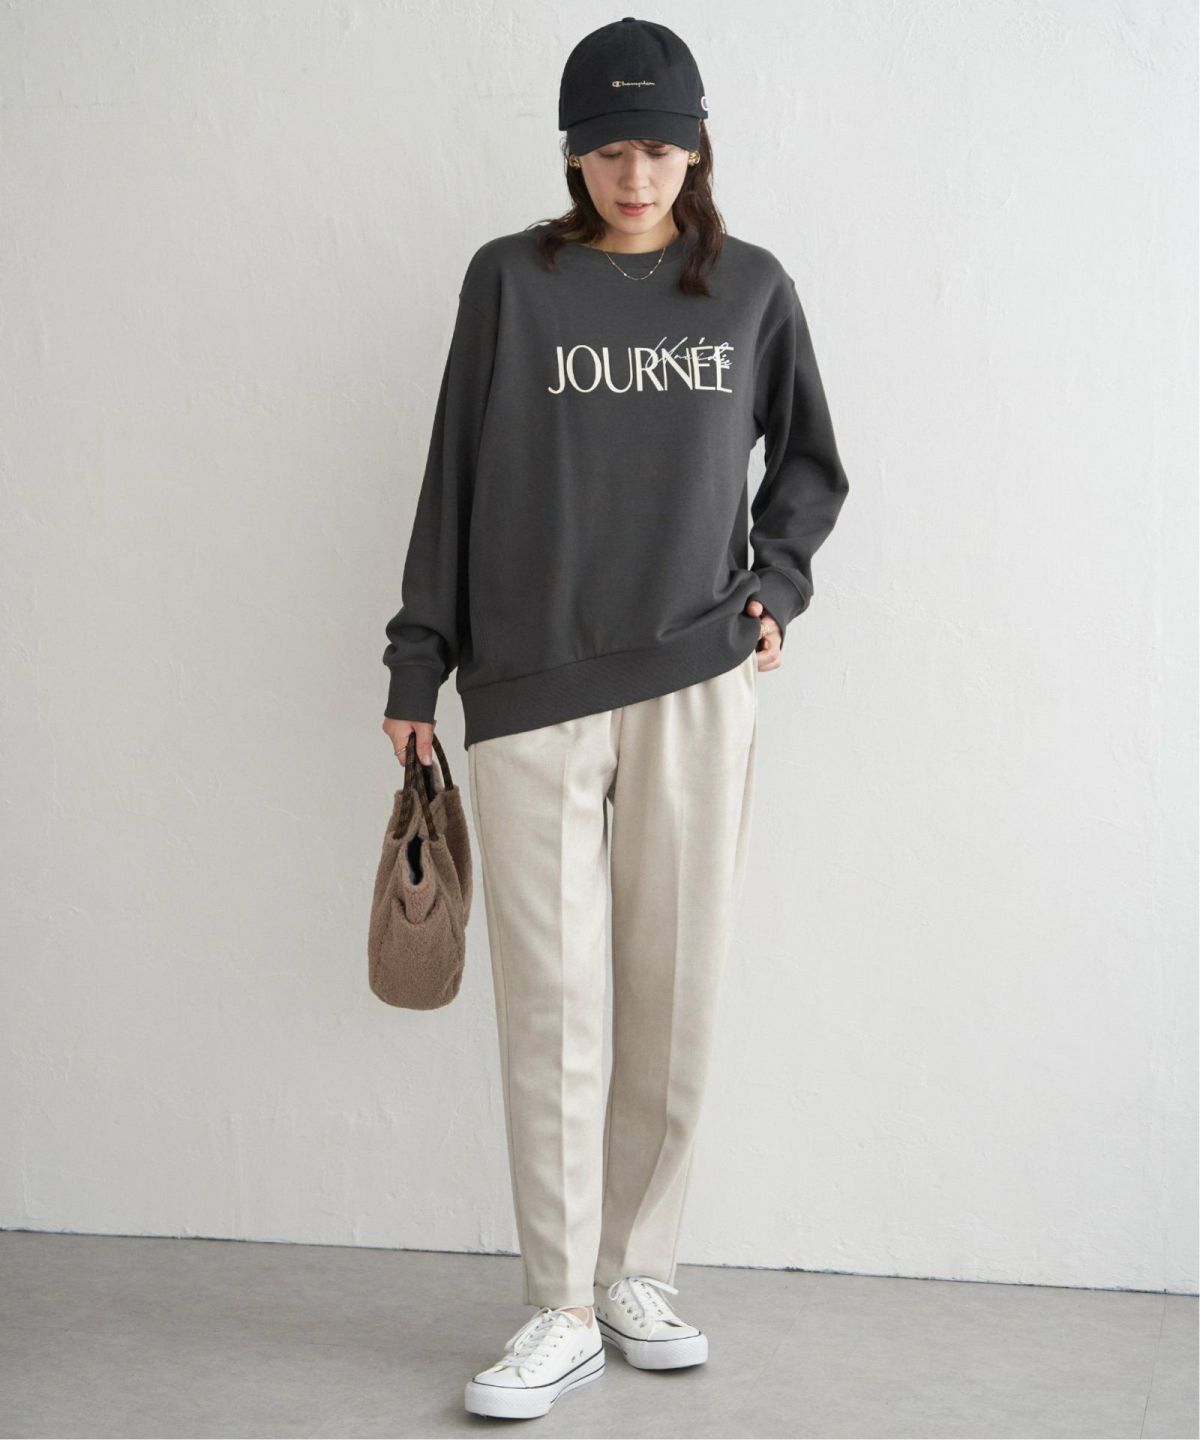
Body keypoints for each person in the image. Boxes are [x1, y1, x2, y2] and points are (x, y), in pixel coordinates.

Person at [379, 17, 849, 1423]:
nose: (635, 176)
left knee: (673, 988)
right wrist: (417, 665)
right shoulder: (509, 283)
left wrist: (774, 588)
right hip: (529, 690)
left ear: (696, 148)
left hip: (698, 680)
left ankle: (638, 1271)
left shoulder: (752, 290)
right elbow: (454, 474)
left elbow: (811, 467)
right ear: (572, 154)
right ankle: (560, 1307)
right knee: (554, 1005)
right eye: (607, 150)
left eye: (658, 147)